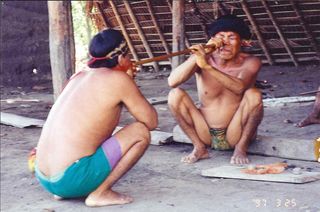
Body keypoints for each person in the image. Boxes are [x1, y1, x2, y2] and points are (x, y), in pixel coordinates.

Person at [35, 29, 158, 207]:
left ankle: (65, 190)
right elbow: (151, 122)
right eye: (128, 55)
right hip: (70, 178)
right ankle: (100, 193)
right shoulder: (119, 80)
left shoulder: (77, 77)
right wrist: (128, 81)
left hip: (46, 179)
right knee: (140, 132)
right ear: (121, 58)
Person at [168, 14, 263, 165]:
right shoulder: (203, 58)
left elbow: (238, 88)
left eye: (231, 37)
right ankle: (199, 147)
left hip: (235, 132)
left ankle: (241, 148)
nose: (224, 42)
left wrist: (207, 67)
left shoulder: (250, 62)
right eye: (220, 37)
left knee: (254, 94)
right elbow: (173, 81)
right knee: (175, 95)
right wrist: (197, 56)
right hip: (204, 131)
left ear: (243, 42)